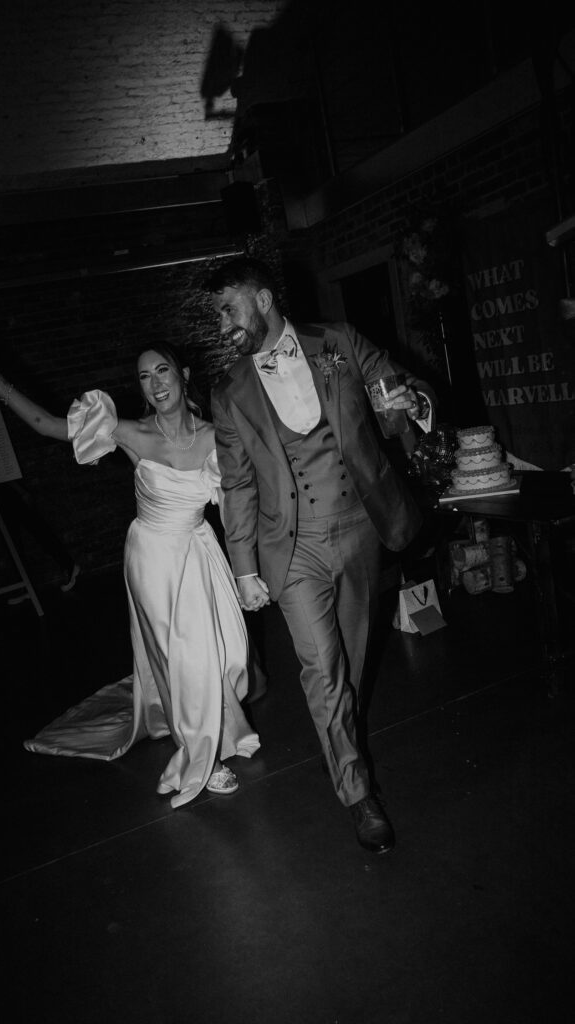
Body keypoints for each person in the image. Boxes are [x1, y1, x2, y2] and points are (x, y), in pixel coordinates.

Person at [0, 341, 260, 808]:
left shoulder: (215, 434)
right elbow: (46, 424)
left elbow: (243, 497)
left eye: (162, 371)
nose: (156, 383)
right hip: (152, 557)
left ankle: (213, 722)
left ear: (182, 374)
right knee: (180, 657)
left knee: (226, 652)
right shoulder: (131, 432)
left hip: (200, 550)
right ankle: (198, 755)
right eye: (144, 376)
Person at [205, 255, 436, 854]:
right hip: (291, 548)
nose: (223, 325)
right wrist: (244, 568)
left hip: (360, 527)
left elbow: (399, 392)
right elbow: (237, 484)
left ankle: (342, 739)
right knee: (321, 671)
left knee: (349, 668)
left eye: (228, 310)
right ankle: (358, 794)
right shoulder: (229, 392)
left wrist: (411, 407)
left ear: (262, 299)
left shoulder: (339, 341)